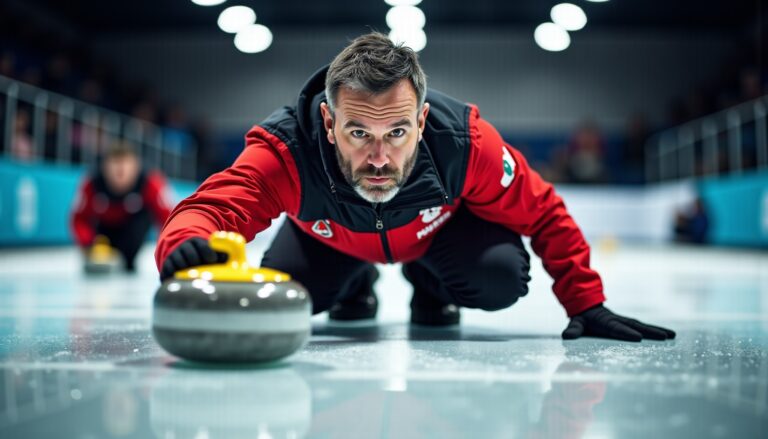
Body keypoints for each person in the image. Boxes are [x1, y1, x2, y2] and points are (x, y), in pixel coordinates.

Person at [155, 33, 675, 342]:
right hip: (330, 240)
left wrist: (585, 303)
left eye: (397, 132)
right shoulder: (284, 150)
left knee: (499, 279)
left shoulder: (466, 143)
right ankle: (356, 284)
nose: (379, 158)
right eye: (358, 133)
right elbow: (208, 210)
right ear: (328, 123)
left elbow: (541, 211)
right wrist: (185, 248)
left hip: (435, 241)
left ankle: (430, 285)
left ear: (423, 122)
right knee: (290, 301)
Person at [72, 141, 172, 272]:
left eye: (126, 163)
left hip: (133, 232)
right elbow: (79, 219)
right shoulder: (92, 183)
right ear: (104, 167)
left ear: (136, 166)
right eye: (115, 163)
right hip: (102, 235)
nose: (121, 169)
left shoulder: (151, 182)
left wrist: (170, 249)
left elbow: (167, 217)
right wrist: (88, 244)